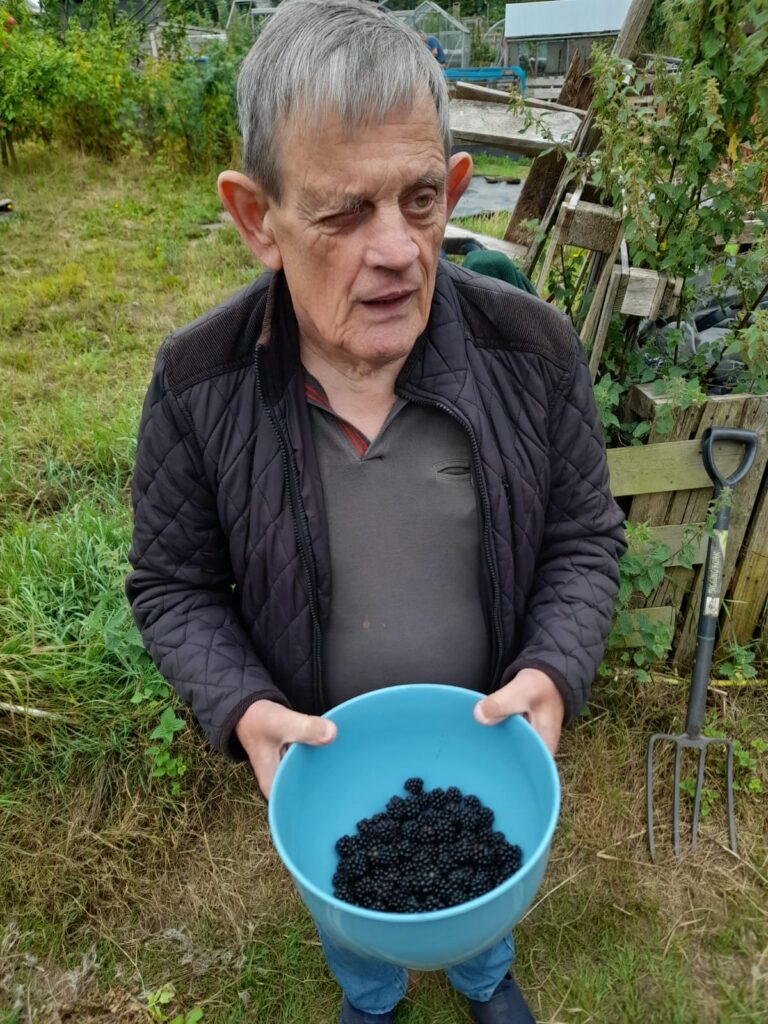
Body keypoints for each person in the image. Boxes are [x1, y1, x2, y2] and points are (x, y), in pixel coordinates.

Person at [126, 1, 626, 1021]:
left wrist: (552, 669)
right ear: (257, 218)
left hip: (486, 755)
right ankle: (371, 990)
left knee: (481, 893)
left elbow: (581, 537)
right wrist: (245, 709)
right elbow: (172, 585)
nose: (397, 250)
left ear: (452, 188)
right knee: (354, 905)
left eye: (416, 200)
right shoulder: (197, 385)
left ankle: (486, 974)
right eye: (345, 212)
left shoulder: (532, 354)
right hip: (332, 780)